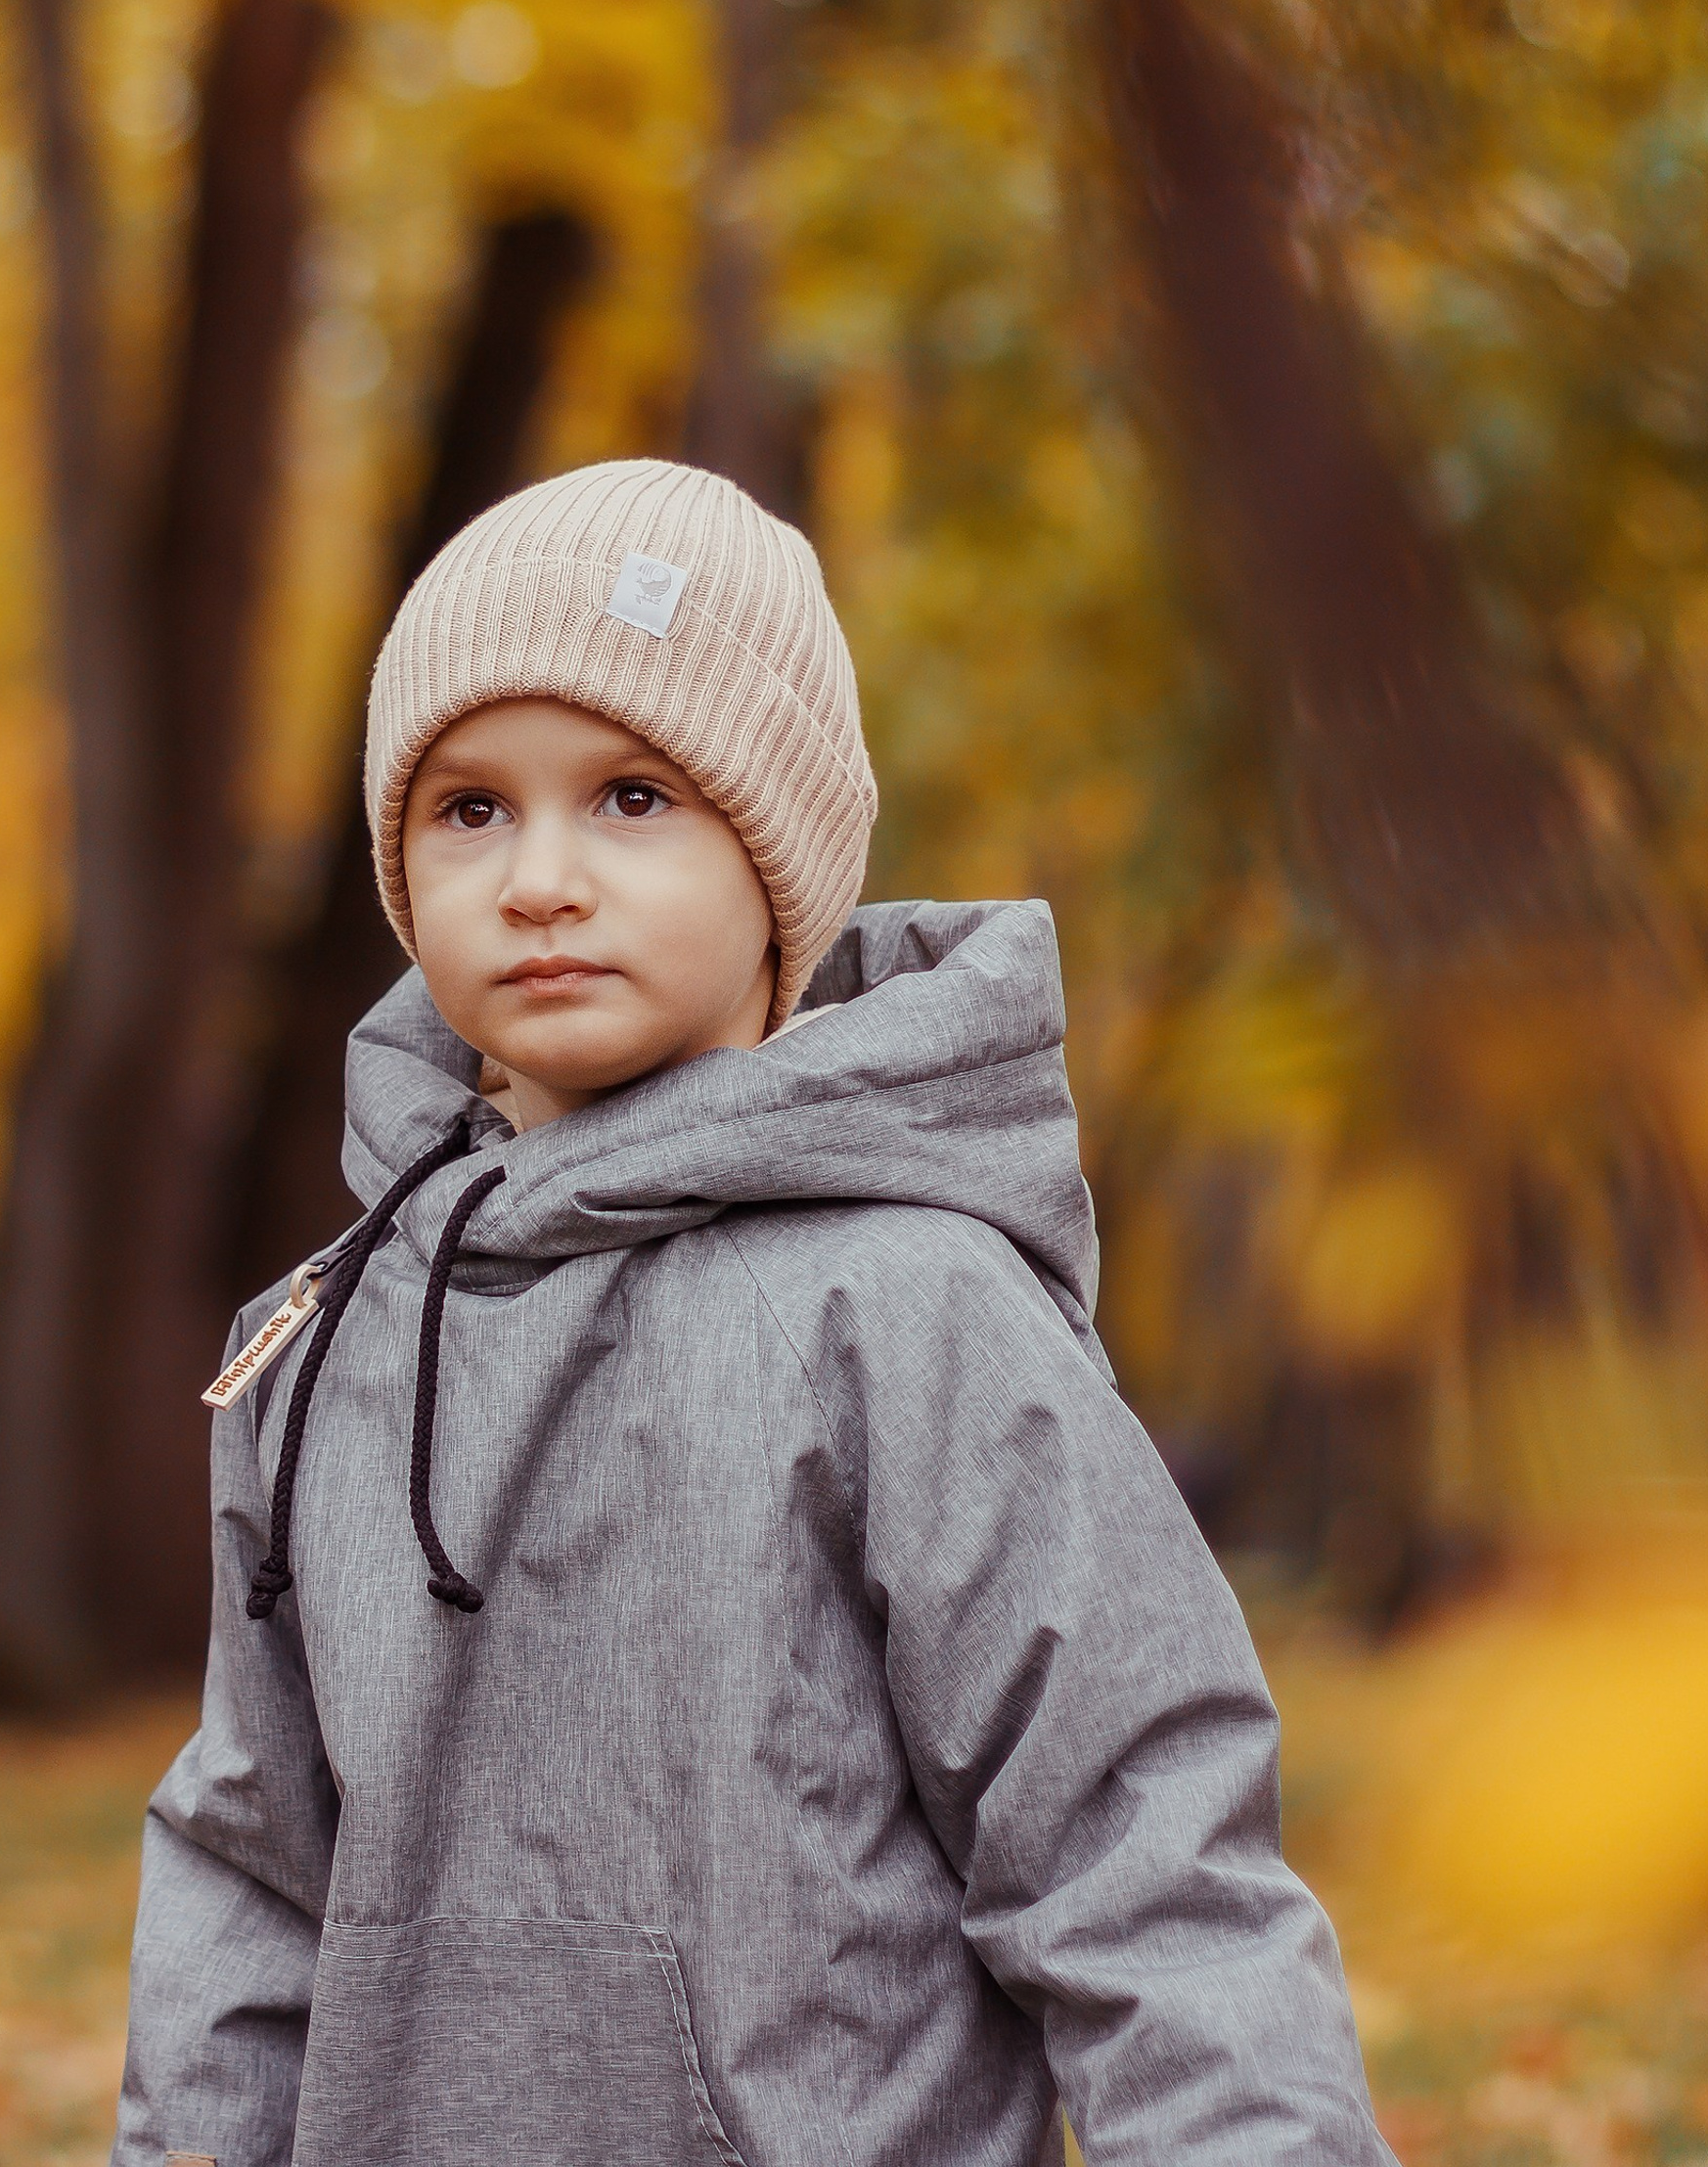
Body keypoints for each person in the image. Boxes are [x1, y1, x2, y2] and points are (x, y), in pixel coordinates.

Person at [113, 459, 1395, 2167]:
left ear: (777, 859)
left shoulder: (912, 1309)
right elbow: (250, 1869)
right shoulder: (326, 1338)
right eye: (470, 808)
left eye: (632, 796)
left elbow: (1139, 1856)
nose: (540, 877)